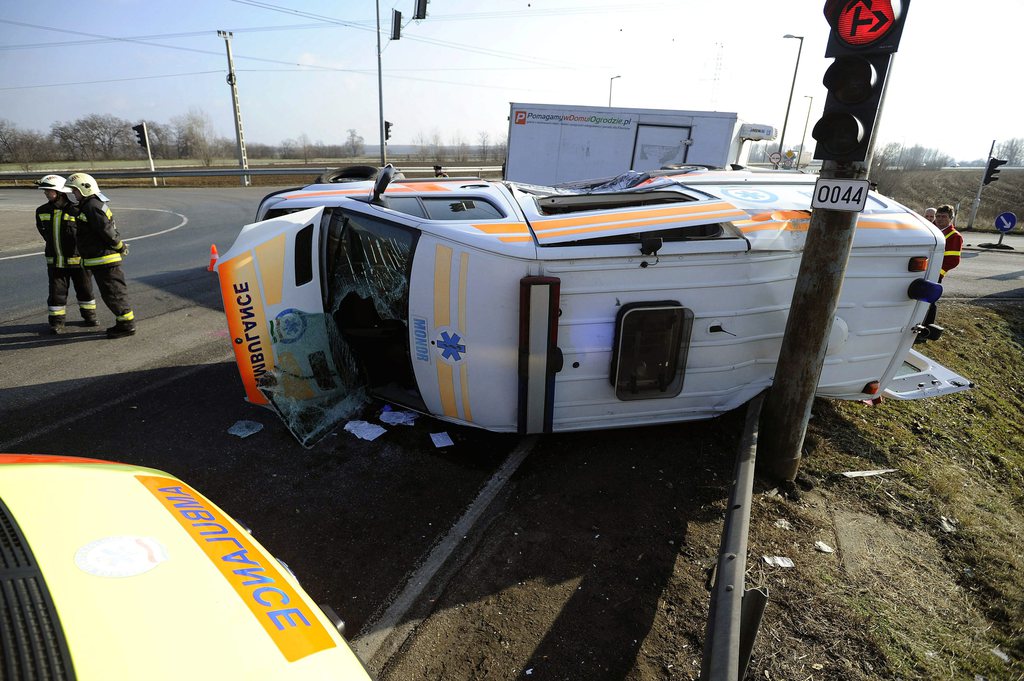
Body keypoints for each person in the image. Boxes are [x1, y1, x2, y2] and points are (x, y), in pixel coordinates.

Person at [64, 173, 137, 338]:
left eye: (75, 191)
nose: (73, 194)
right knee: (111, 293)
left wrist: (120, 246)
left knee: (114, 293)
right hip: (101, 260)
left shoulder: (92, 206)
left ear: (84, 189)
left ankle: (126, 325)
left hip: (106, 259)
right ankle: (123, 322)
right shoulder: (90, 205)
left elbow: (107, 231)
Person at [34, 174, 98, 334]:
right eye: (45, 191)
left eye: (49, 191)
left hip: (78, 261)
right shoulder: (41, 211)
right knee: (56, 294)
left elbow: (87, 234)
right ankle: (57, 323)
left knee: (85, 290)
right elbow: (43, 232)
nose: (46, 194)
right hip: (56, 262)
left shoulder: (76, 210)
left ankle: (89, 317)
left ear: (59, 192)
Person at [920, 204, 963, 337]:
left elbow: (953, 260)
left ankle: (926, 329)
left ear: (950, 218)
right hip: (922, 269)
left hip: (935, 273)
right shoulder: (930, 229)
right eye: (938, 216)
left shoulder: (954, 236)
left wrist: (939, 273)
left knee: (929, 301)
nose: (939, 219)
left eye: (943, 217)